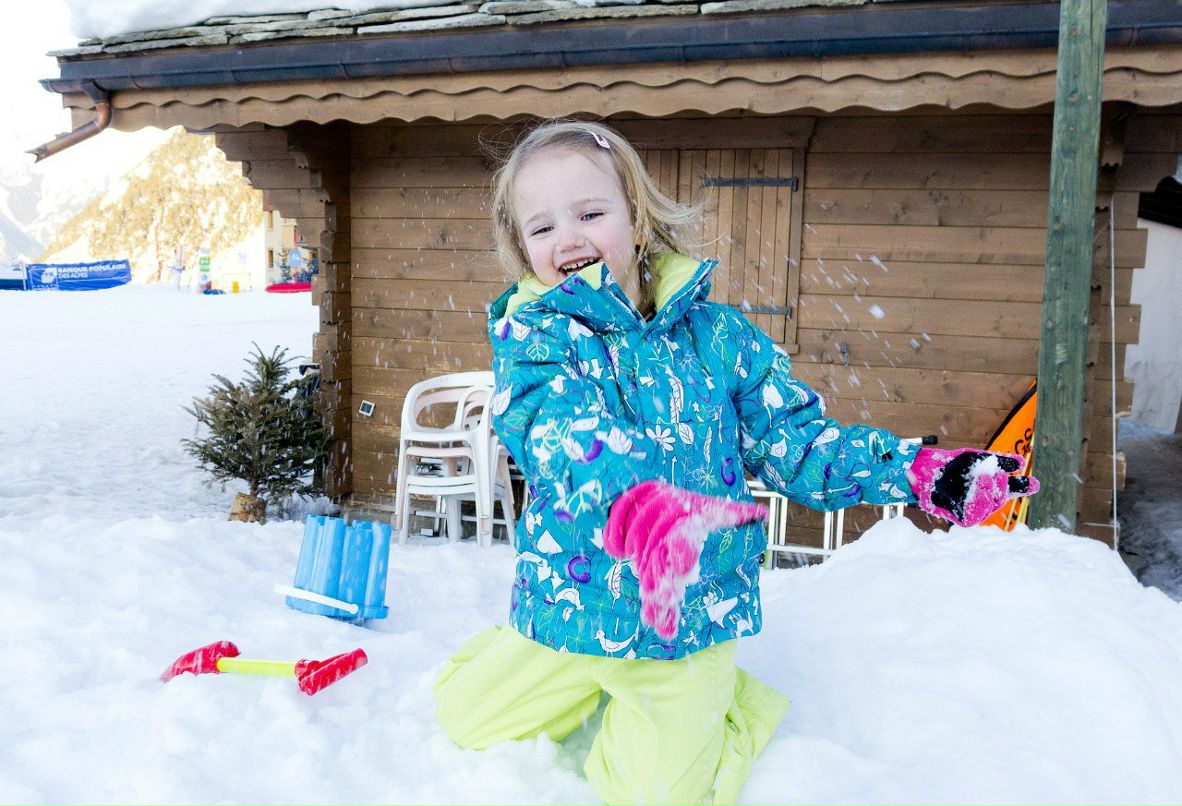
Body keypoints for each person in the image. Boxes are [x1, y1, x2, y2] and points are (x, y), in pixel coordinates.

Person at [434, 119, 1038, 805]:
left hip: (682, 619)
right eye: (541, 227)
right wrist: (631, 497)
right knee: (462, 717)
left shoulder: (720, 340)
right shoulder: (533, 338)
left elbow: (798, 445)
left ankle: (725, 704)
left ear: (638, 219)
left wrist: (917, 471)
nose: (567, 238)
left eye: (590, 214)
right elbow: (554, 427)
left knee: (653, 797)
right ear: (522, 248)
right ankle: (580, 679)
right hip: (572, 605)